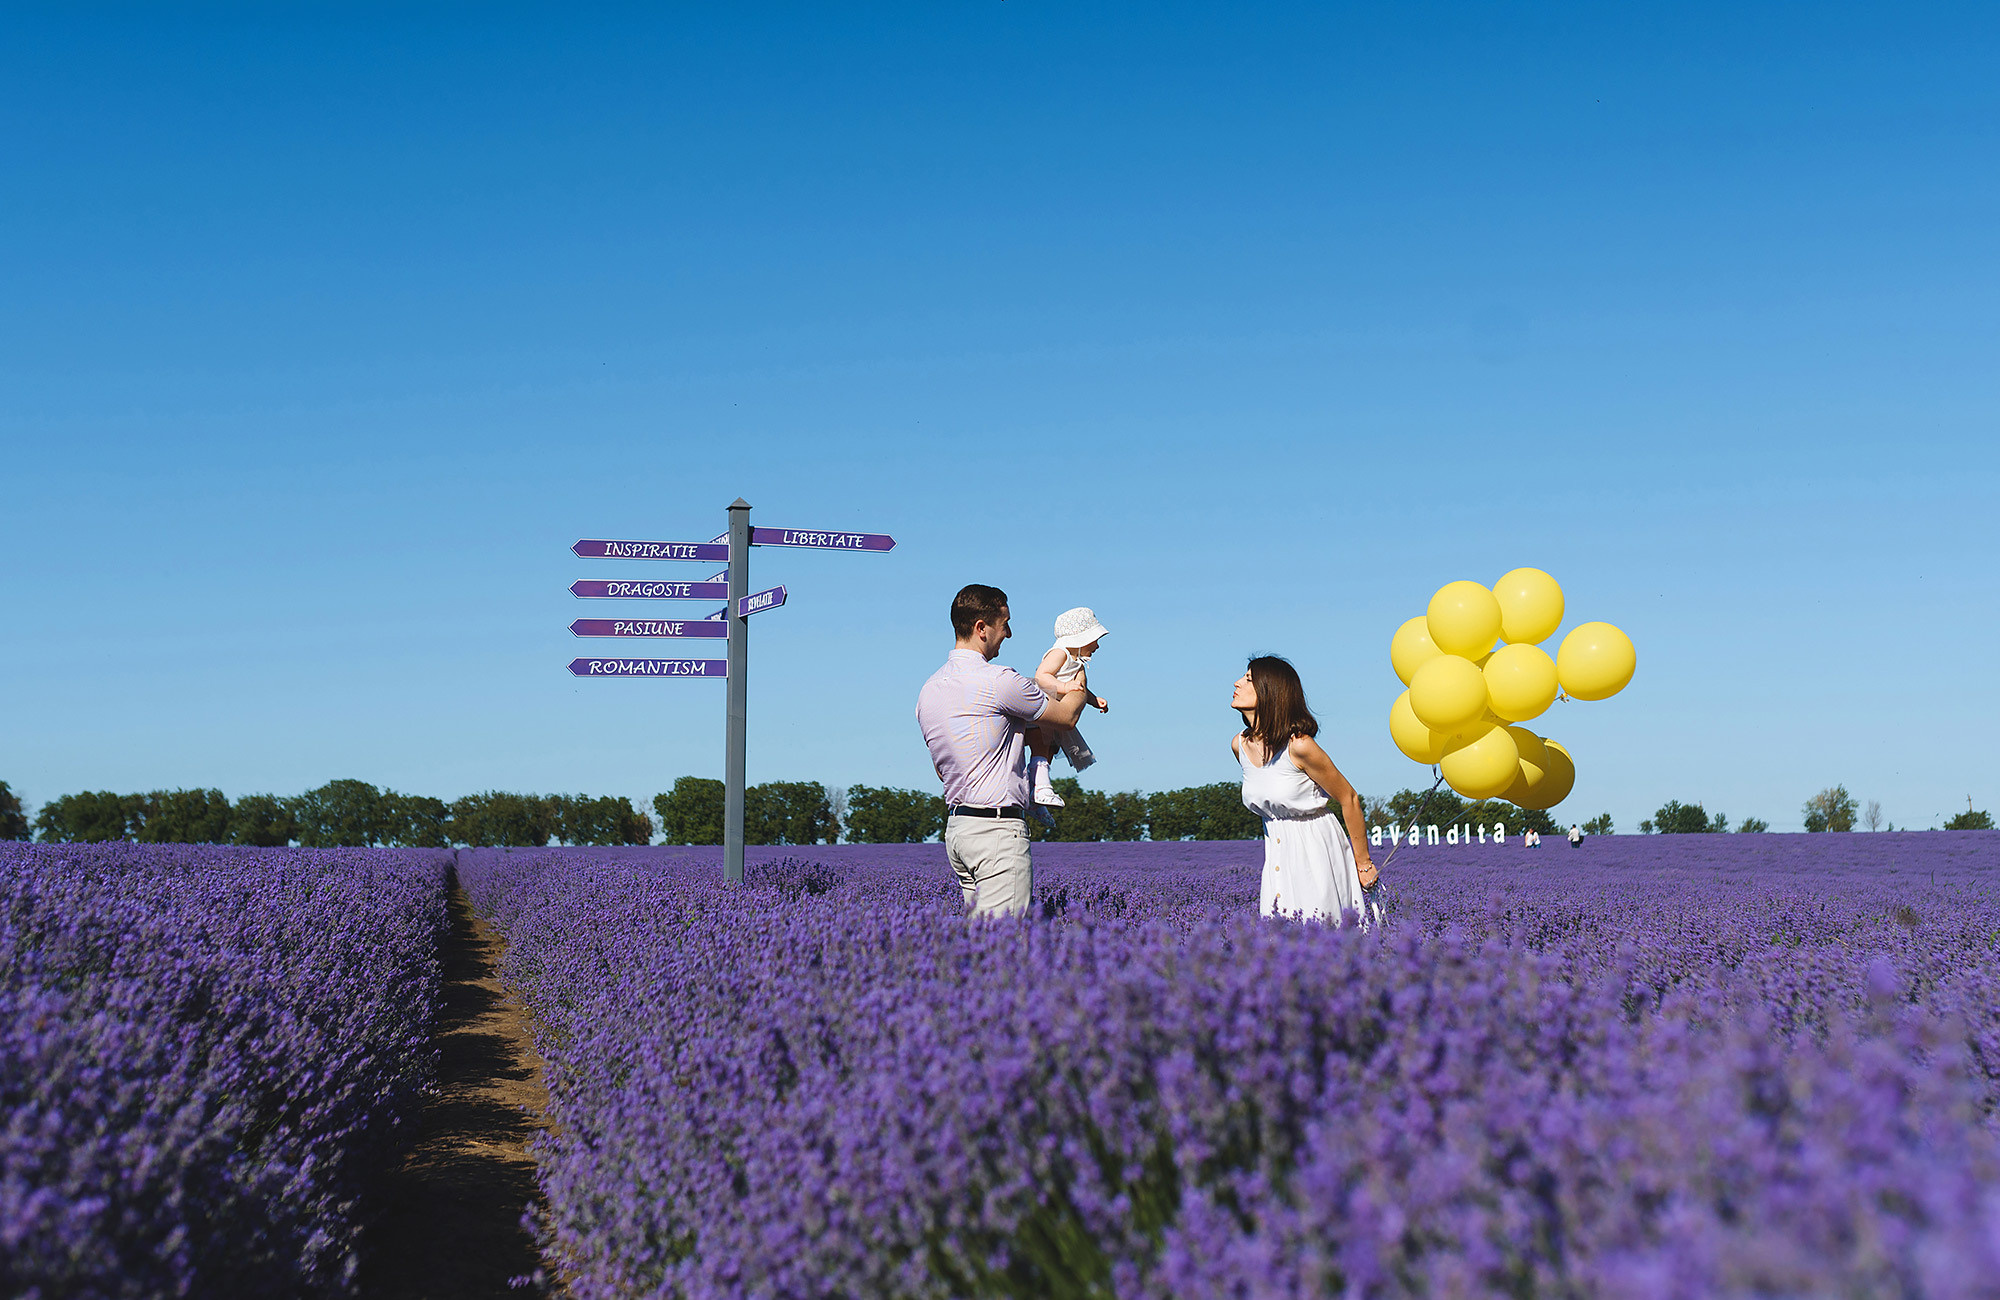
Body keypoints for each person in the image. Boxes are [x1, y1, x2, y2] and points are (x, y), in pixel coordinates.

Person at [916, 584, 1091, 918]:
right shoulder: (1001, 681)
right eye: (1004, 623)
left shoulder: (929, 690)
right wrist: (1078, 674)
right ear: (982, 628)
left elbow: (943, 769)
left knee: (980, 946)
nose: (1009, 633)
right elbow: (1067, 717)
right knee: (1004, 949)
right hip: (996, 834)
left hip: (958, 832)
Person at [1230, 655, 1377, 924]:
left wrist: (1364, 864)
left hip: (1316, 851)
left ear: (1270, 692)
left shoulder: (1299, 746)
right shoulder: (1239, 745)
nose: (1237, 683)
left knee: (1321, 935)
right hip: (1275, 853)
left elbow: (1349, 798)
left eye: (1248, 679)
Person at [1025, 606, 1111, 809]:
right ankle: (1039, 789)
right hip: (1043, 704)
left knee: (1051, 748)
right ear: (1080, 638)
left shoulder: (1077, 662)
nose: (1097, 646)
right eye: (1095, 640)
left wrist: (1093, 699)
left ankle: (1037, 791)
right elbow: (1041, 676)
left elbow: (1079, 687)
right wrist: (1064, 687)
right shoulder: (1060, 653)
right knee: (1042, 744)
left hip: (1055, 706)